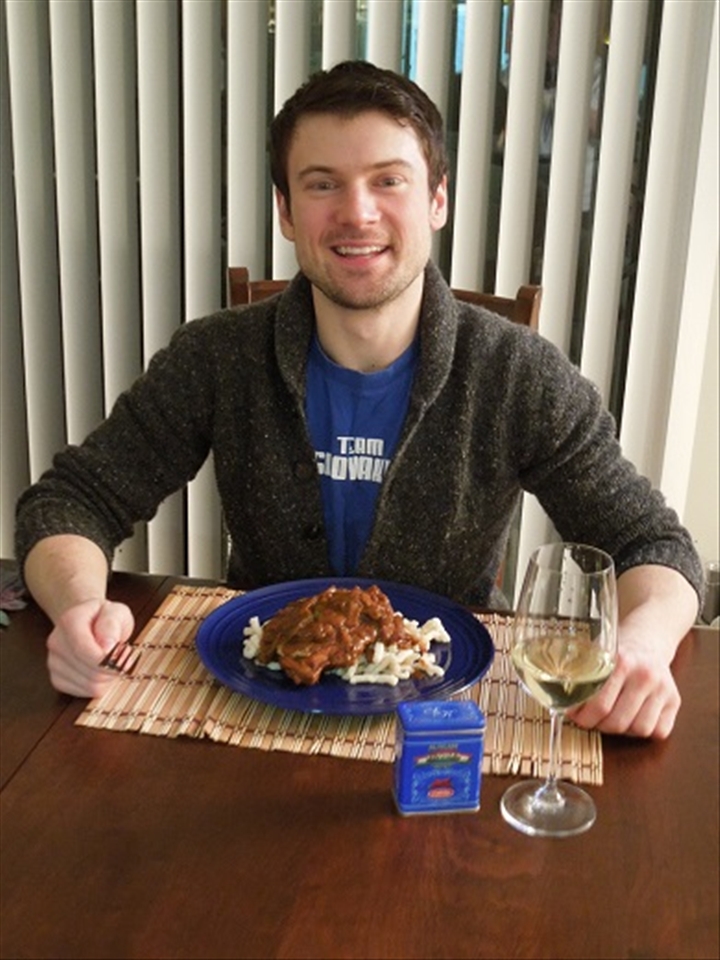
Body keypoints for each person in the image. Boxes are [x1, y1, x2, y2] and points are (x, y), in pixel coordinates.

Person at [15, 61, 703, 739]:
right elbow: (71, 501)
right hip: (253, 711)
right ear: (286, 211)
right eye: (323, 184)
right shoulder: (217, 357)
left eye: (388, 180)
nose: (357, 213)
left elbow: (654, 545)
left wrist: (641, 646)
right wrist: (78, 609)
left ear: (437, 200)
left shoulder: (517, 373)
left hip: (448, 723)